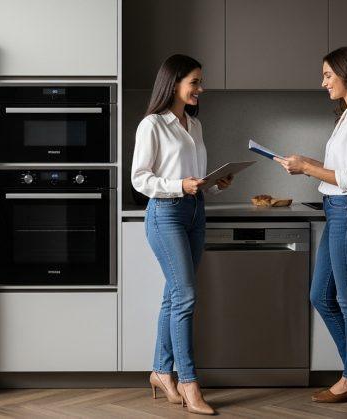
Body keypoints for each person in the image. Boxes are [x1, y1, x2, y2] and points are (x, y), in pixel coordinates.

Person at [274, 46, 347, 403]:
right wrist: (308, 162)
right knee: (321, 295)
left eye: (328, 75)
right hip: (338, 211)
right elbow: (340, 170)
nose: (323, 82)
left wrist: (306, 169)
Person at [131, 54, 232, 415]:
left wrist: (215, 183)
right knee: (186, 296)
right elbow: (139, 179)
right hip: (165, 215)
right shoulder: (152, 125)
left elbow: (195, 180)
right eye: (195, 82)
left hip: (194, 213)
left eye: (200, 82)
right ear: (174, 83)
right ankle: (188, 382)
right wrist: (179, 185)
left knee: (174, 297)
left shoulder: (194, 124)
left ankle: (160, 372)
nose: (200, 89)